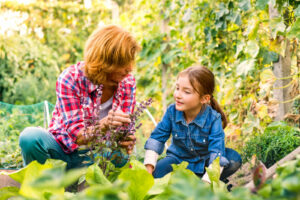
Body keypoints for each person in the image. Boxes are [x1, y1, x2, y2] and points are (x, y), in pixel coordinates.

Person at [19, 25, 140, 169]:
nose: (130, 68)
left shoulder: (128, 82)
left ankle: (98, 187)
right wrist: (105, 124)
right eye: (123, 63)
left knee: (120, 156)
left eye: (131, 61)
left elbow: (124, 132)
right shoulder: (70, 79)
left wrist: (126, 140)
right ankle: (45, 185)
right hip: (62, 153)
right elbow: (78, 137)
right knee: (30, 138)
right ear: (105, 62)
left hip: (96, 157)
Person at [144, 65, 242, 183]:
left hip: (204, 162)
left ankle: (203, 179)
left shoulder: (213, 119)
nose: (178, 95)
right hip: (178, 161)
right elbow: (157, 138)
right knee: (158, 171)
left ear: (204, 99)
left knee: (233, 159)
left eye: (186, 92)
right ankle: (190, 180)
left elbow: (216, 153)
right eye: (177, 88)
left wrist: (205, 185)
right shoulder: (172, 112)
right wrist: (148, 169)